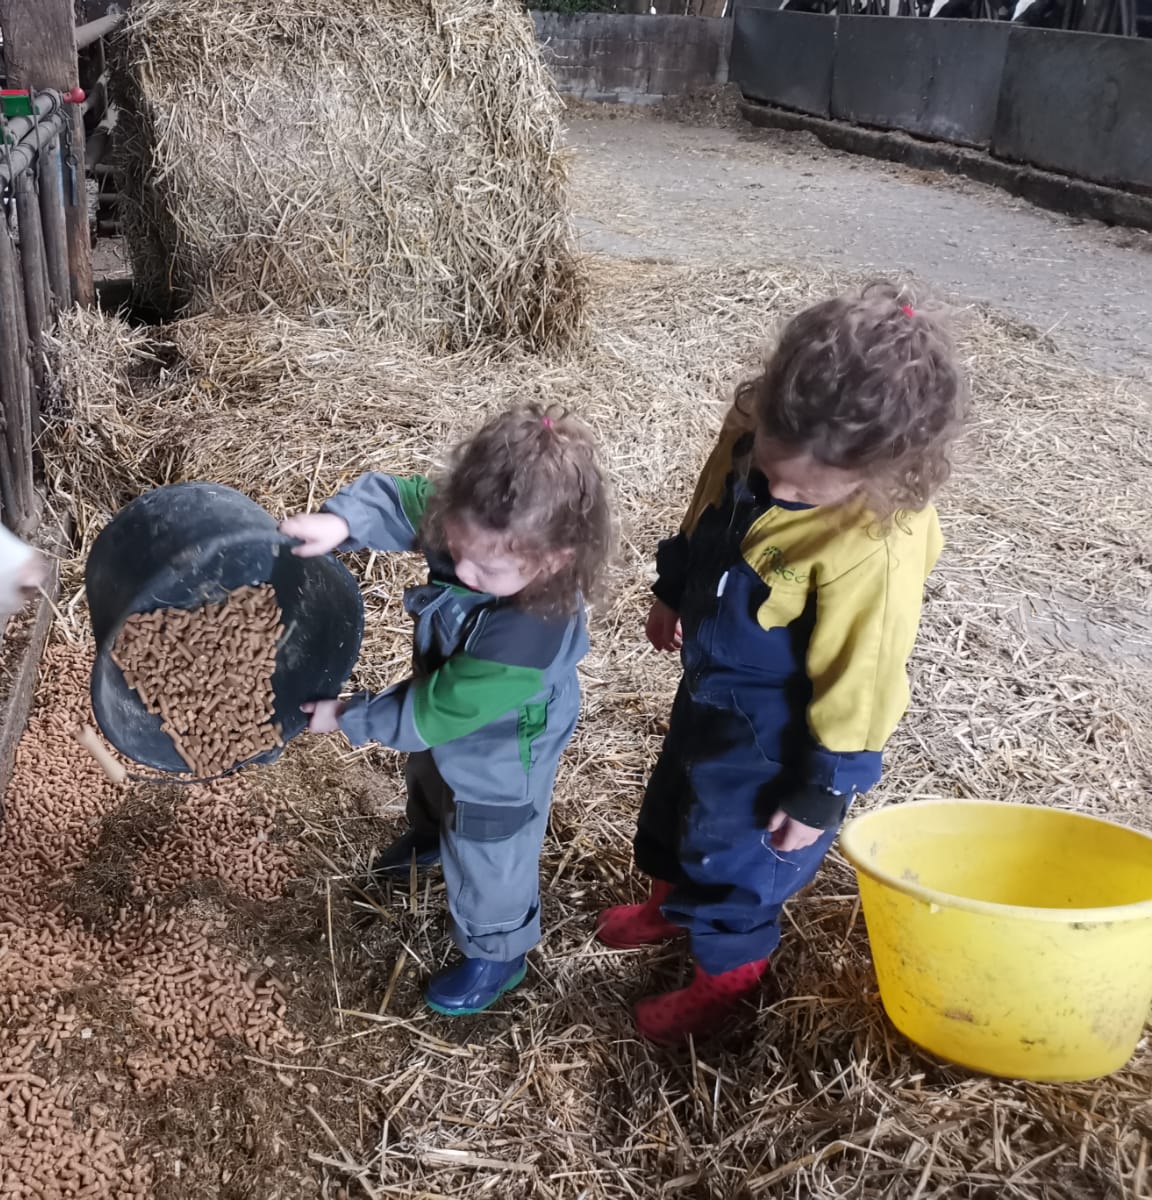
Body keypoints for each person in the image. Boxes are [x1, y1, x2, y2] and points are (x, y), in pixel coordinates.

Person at [596, 283, 967, 1044]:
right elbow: (710, 507)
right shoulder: (757, 431)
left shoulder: (877, 540)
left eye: (805, 493)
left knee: (737, 850)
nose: (779, 491)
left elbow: (864, 677)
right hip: (713, 686)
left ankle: (723, 979)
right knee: (674, 800)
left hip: (778, 728)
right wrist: (676, 589)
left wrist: (822, 789)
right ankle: (670, 904)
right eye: (770, 471)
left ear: (883, 473)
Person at [282, 404, 611, 1016]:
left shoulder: (527, 638)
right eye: (457, 546)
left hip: (506, 740)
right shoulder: (476, 518)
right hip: (449, 699)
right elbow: (396, 501)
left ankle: (499, 948)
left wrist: (345, 715)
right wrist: (338, 523)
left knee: (491, 838)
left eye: (486, 567)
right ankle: (431, 835)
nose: (461, 568)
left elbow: (427, 715)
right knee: (431, 773)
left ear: (553, 561)